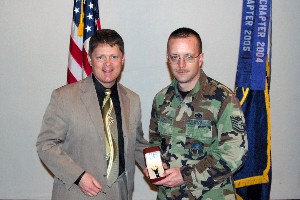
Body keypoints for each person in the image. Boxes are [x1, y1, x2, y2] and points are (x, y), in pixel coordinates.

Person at [36, 29, 149, 200]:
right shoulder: (64, 97)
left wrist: (154, 165)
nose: (107, 64)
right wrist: (78, 177)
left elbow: (137, 142)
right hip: (78, 193)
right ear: (89, 59)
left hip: (120, 193)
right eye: (100, 57)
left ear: (123, 59)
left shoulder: (132, 99)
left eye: (114, 56)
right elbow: (46, 145)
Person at [148, 27, 248, 199]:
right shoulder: (161, 99)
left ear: (200, 59)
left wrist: (186, 176)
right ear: (168, 59)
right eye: (175, 57)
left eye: (188, 57)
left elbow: (235, 152)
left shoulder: (223, 98)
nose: (181, 64)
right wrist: (154, 167)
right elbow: (154, 141)